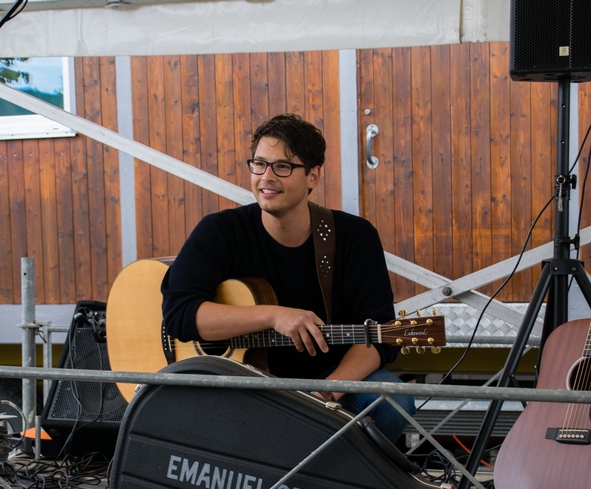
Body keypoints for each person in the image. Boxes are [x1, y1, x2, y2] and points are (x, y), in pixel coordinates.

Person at [161, 113, 415, 441]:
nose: (266, 178)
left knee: (391, 402)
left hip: (326, 378)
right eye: (259, 164)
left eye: (282, 166)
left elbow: (379, 334)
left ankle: (324, 475)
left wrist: (325, 394)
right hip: (240, 383)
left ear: (313, 175)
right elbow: (180, 315)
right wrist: (273, 316)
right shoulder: (221, 232)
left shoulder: (354, 237)